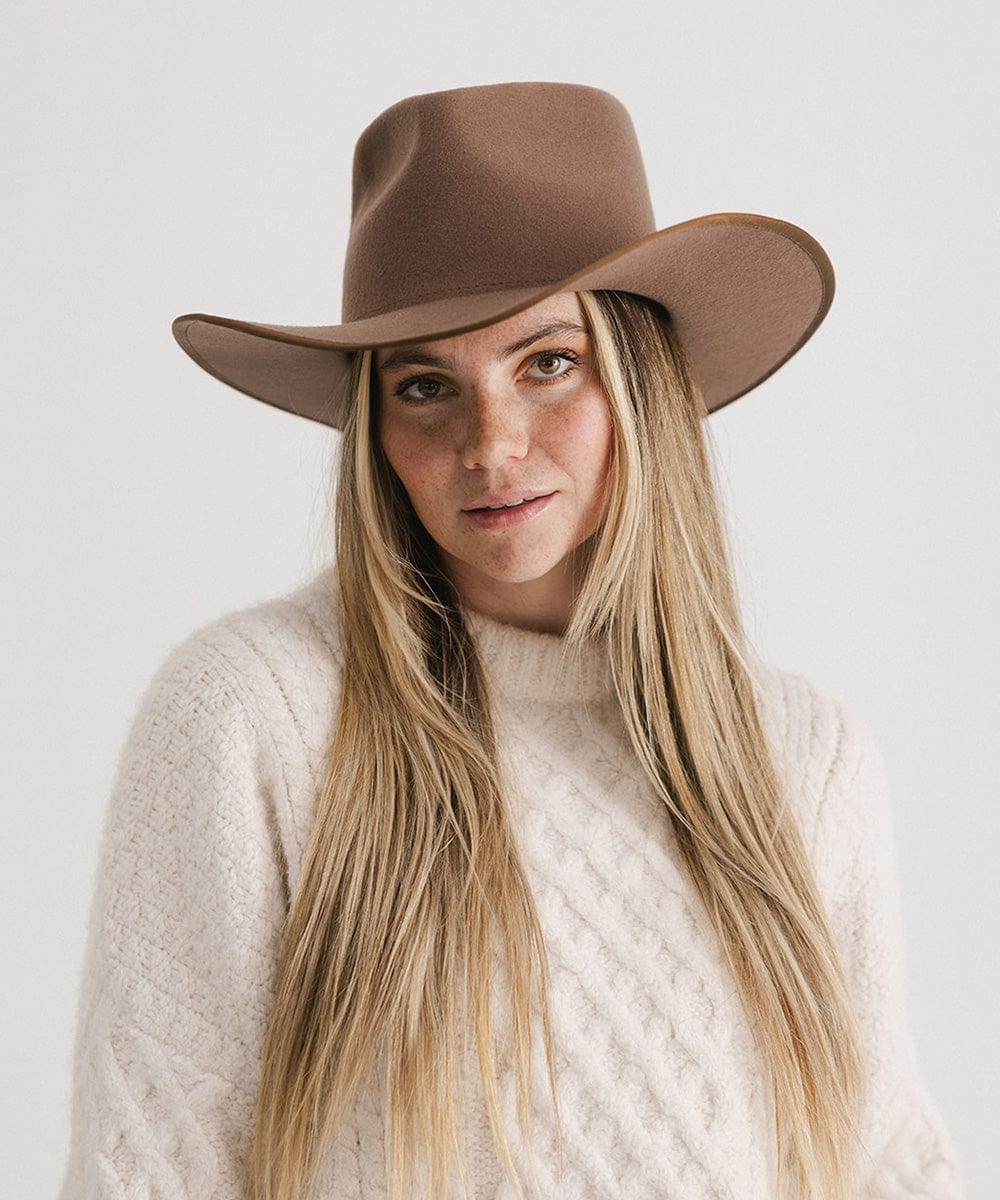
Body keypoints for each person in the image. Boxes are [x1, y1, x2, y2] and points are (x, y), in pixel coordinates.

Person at [60, 83, 964, 1200]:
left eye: (548, 363)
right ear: (374, 435)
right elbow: (150, 1168)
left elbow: (881, 1164)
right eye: (426, 385)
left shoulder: (803, 759)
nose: (489, 443)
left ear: (640, 382)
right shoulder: (256, 717)